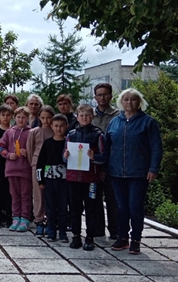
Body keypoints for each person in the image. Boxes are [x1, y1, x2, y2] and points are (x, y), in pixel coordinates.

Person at [106, 88, 162, 255]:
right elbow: (107, 146)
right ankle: (122, 238)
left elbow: (156, 148)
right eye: (126, 99)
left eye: (133, 100)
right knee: (121, 206)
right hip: (116, 172)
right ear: (121, 102)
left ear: (139, 103)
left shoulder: (148, 122)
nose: (129, 102)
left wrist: (154, 168)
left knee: (135, 206)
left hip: (139, 172)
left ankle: (136, 239)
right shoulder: (115, 122)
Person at [64, 104, 106, 251]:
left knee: (91, 208)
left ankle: (90, 237)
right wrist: (66, 156)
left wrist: (95, 157)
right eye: (81, 115)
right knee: (75, 208)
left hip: (91, 179)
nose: (84, 118)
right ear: (77, 117)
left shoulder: (98, 134)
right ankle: (76, 236)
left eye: (87, 115)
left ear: (92, 117)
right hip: (74, 178)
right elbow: (65, 156)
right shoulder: (71, 134)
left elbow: (104, 157)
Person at [92, 82, 120, 240]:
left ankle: (115, 230)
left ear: (110, 96)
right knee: (94, 197)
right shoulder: (90, 115)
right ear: (95, 97)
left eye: (105, 94)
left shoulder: (117, 115)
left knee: (112, 199)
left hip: (112, 163)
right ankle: (98, 229)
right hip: (93, 164)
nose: (102, 97)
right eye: (99, 94)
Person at [36, 114, 69, 243]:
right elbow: (40, 163)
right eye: (56, 126)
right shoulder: (48, 143)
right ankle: (51, 231)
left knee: (63, 207)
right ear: (52, 126)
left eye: (61, 126)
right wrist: (40, 180)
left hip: (64, 181)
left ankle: (62, 232)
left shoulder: (68, 143)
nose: (59, 129)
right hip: (49, 179)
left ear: (66, 126)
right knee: (50, 207)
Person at [0, 107, 31, 232]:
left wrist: (27, 152)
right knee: (14, 195)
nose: (21, 119)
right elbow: (1, 147)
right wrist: (8, 154)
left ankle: (25, 218)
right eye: (18, 117)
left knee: (25, 195)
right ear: (14, 118)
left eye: (23, 117)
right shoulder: (9, 132)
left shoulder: (31, 132)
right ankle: (16, 217)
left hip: (25, 170)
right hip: (11, 169)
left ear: (27, 118)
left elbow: (35, 150)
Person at [26, 105, 56, 236]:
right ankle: (39, 220)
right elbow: (29, 150)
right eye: (43, 118)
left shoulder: (56, 131)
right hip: (37, 165)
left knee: (51, 193)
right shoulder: (34, 132)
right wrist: (34, 163)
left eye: (49, 118)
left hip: (52, 166)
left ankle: (51, 220)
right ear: (39, 118)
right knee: (38, 193)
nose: (46, 120)